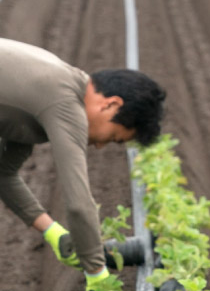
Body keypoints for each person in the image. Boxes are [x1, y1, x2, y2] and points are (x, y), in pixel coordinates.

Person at [0, 38, 166, 290]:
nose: (100, 146)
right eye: (113, 137)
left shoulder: (52, 89)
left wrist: (54, 233)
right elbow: (78, 204)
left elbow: (3, 174)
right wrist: (98, 274)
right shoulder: (65, 103)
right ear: (111, 105)